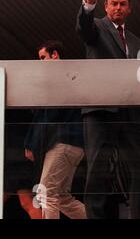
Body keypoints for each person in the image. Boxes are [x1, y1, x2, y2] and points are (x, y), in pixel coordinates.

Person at [76, 0, 140, 219]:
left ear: (129, 9)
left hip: (130, 110)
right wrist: (89, 3)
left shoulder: (136, 40)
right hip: (101, 110)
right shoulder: (97, 26)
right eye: (113, 4)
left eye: (122, 4)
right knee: (97, 168)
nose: (118, 8)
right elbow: (84, 29)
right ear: (106, 6)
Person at [24, 40, 87, 219]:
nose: (41, 62)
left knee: (46, 195)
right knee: (62, 198)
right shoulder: (72, 77)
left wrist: (33, 145)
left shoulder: (58, 80)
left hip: (63, 143)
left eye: (43, 57)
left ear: (55, 55)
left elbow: (48, 117)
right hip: (75, 145)